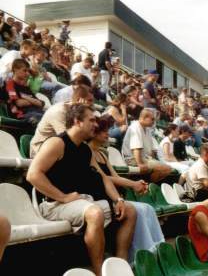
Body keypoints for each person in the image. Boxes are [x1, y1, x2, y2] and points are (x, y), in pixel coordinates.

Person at [26, 104, 137, 276]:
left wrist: (118, 200)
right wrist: (62, 197)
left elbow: (103, 178)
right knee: (95, 213)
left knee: (129, 210)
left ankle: (119, 266)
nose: (96, 124)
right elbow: (33, 175)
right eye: (91, 120)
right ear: (77, 121)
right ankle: (100, 271)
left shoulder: (85, 149)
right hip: (53, 204)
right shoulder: (57, 143)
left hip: (79, 202)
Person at [88, 116, 165, 261]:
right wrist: (133, 184)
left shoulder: (103, 154)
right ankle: (132, 257)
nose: (108, 134)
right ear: (95, 132)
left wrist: (137, 184)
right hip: (98, 196)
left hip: (111, 195)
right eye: (104, 131)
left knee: (147, 208)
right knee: (138, 210)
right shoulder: (87, 152)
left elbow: (115, 177)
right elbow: (102, 178)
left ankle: (151, 252)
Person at [30, 85, 94, 157]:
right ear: (79, 100)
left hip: (59, 147)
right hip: (40, 149)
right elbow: (66, 139)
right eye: (89, 100)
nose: (92, 104)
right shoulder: (59, 111)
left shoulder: (77, 113)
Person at [122, 108, 171, 183]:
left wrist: (154, 160)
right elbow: (136, 149)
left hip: (144, 158)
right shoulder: (135, 127)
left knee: (167, 168)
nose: (154, 121)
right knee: (165, 169)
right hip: (132, 160)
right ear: (144, 118)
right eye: (152, 119)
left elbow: (151, 151)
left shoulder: (147, 129)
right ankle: (148, 184)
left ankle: (147, 184)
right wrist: (140, 164)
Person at [5, 59, 45, 125]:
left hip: (37, 112)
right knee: (46, 119)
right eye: (24, 70)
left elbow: (41, 104)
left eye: (28, 71)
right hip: (23, 116)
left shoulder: (26, 87)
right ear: (15, 69)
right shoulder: (9, 85)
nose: (27, 73)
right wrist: (34, 102)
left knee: (53, 115)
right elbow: (19, 103)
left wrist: (25, 97)